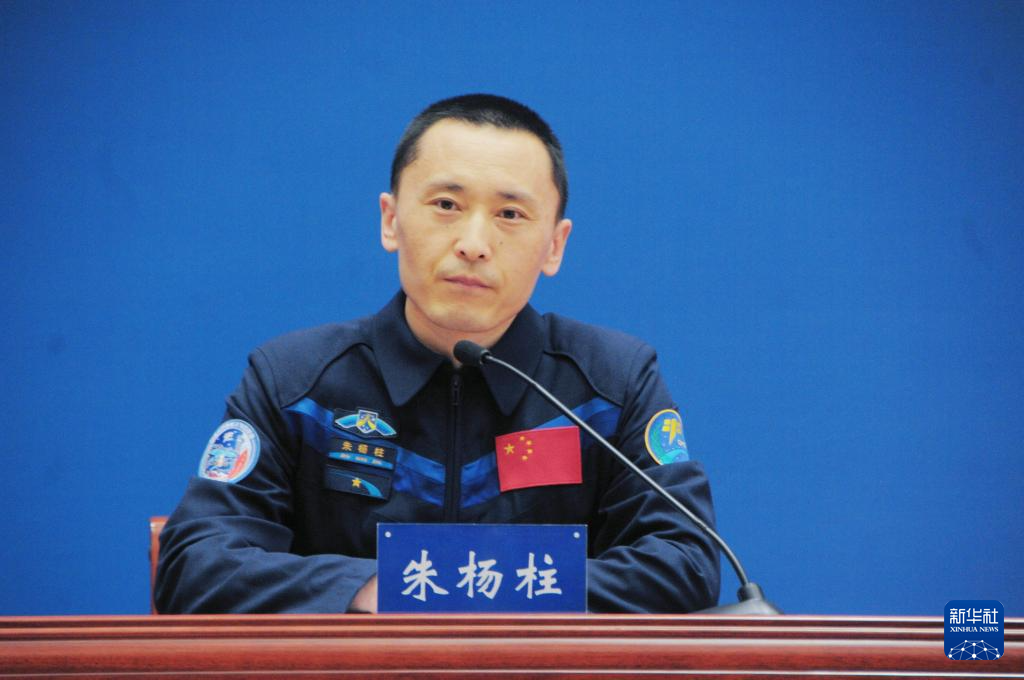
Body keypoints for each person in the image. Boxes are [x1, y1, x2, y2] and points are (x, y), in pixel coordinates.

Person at [155, 94, 720, 614]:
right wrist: (373, 588)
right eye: (446, 204)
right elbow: (194, 565)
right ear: (390, 220)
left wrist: (459, 586)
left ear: (555, 245)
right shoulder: (295, 383)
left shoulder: (611, 385)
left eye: (510, 214)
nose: (473, 244)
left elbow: (685, 563)